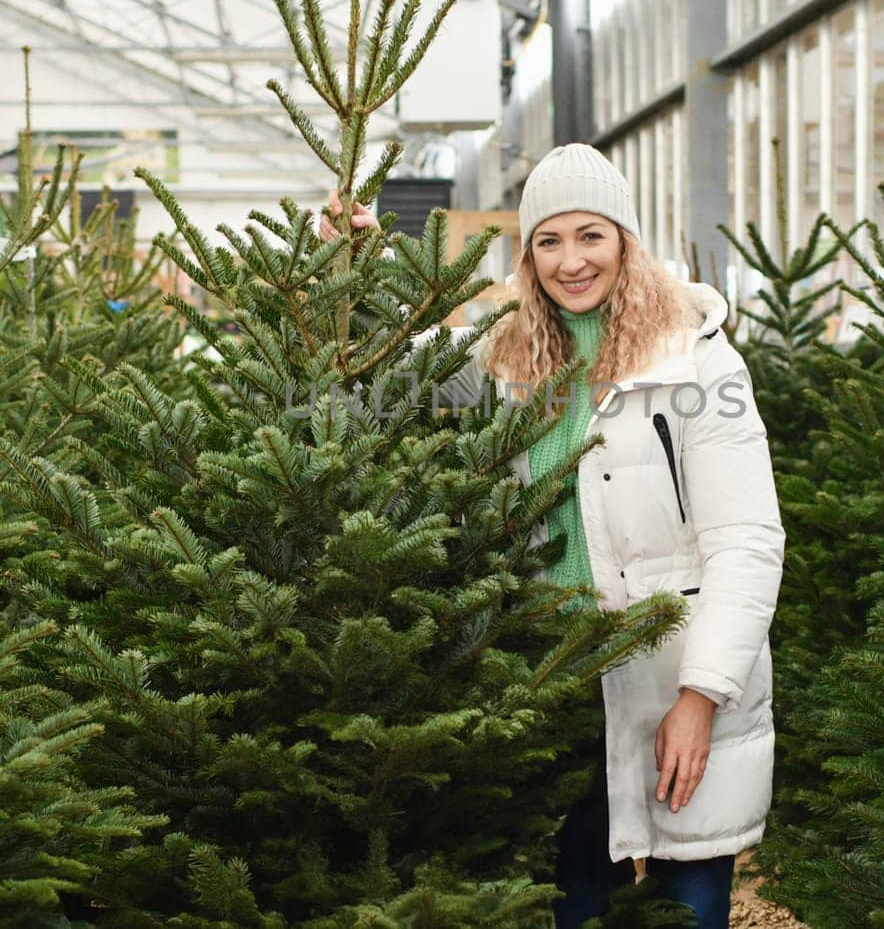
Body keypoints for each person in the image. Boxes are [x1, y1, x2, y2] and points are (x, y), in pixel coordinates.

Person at [320, 143, 785, 928]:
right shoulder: (514, 355)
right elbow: (415, 354)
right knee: (571, 899)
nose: (571, 261)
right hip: (552, 687)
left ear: (626, 239)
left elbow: (747, 541)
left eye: (590, 235)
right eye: (549, 241)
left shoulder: (700, 363)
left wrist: (700, 697)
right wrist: (372, 257)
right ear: (528, 256)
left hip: (673, 678)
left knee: (690, 904)